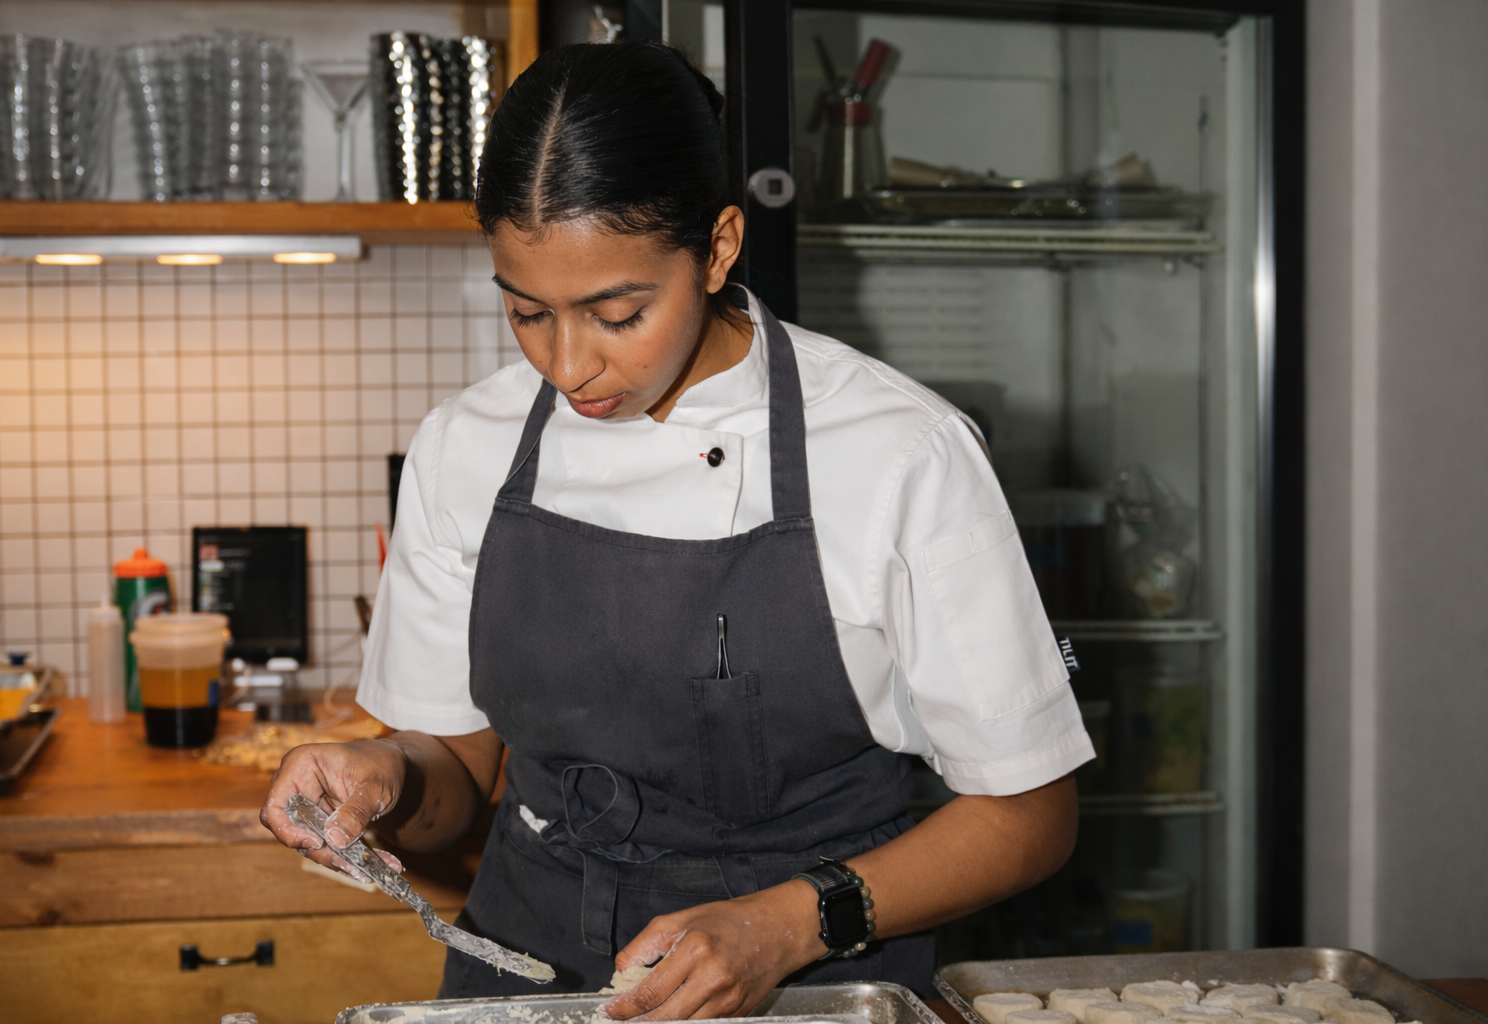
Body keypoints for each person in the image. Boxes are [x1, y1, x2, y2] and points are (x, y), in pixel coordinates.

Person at [261, 41, 1093, 1019]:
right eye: (527, 313)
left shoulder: (898, 451)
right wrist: (384, 774)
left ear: (720, 247)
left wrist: (784, 924)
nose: (568, 366)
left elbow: (1031, 817)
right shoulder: (465, 445)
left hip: (808, 981)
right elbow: (454, 783)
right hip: (524, 970)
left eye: (618, 312)